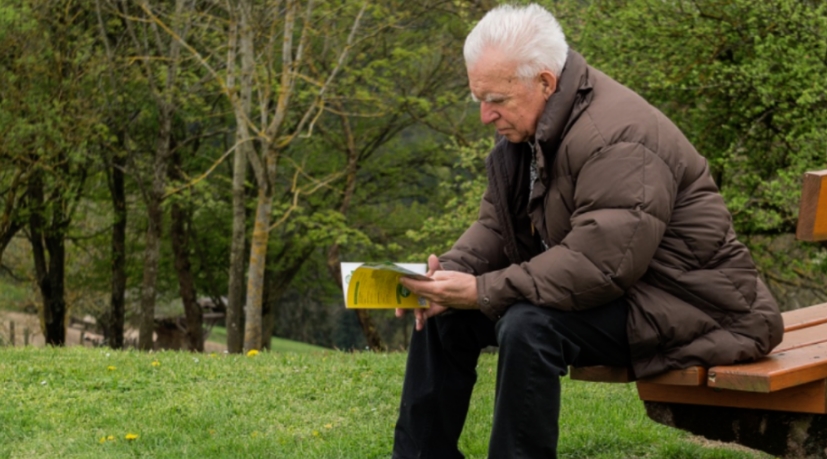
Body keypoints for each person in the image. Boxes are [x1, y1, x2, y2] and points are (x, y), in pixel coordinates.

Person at [391, 3, 784, 459]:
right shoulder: (531, 130)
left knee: (528, 324)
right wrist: (448, 276)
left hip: (693, 305)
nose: (485, 116)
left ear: (545, 82)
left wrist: (481, 289)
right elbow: (498, 227)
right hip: (627, 292)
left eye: (496, 100)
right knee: (444, 311)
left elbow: (602, 265)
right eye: (479, 99)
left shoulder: (619, 136)